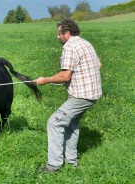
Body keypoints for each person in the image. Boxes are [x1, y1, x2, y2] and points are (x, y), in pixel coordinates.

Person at [33, 18, 102, 173]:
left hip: (81, 96)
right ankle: (71, 163)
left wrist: (45, 80)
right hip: (92, 94)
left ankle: (54, 165)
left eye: (59, 33)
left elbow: (65, 76)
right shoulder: (85, 43)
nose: (58, 37)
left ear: (67, 33)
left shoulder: (70, 47)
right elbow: (99, 65)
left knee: (54, 122)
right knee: (71, 124)